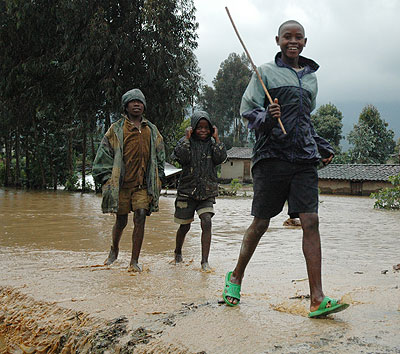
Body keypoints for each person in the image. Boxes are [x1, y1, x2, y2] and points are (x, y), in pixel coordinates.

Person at [222, 20, 349, 318]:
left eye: (298, 37)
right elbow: (247, 112)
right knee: (261, 223)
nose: (293, 42)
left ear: (305, 41)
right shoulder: (264, 73)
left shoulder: (311, 79)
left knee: (311, 221)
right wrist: (267, 114)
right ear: (277, 40)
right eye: (287, 37)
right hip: (271, 157)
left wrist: (320, 145)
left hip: (303, 159)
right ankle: (236, 276)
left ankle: (317, 298)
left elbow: (304, 119)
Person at [92, 88, 165, 272]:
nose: (136, 105)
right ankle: (114, 249)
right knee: (121, 220)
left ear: (144, 106)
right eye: (133, 102)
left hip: (142, 185)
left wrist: (159, 179)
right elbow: (103, 155)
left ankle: (134, 261)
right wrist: (106, 179)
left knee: (140, 216)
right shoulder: (116, 129)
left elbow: (160, 156)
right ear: (126, 106)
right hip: (121, 185)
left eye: (140, 102)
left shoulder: (152, 131)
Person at [172, 111, 227, 271]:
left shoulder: (213, 144)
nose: (203, 131)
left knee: (207, 221)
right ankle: (178, 252)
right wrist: (186, 139)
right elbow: (181, 157)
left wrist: (217, 139)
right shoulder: (185, 142)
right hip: (187, 191)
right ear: (193, 128)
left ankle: (204, 261)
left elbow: (220, 158)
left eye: (206, 128)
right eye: (199, 127)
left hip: (207, 191)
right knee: (184, 226)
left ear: (211, 129)